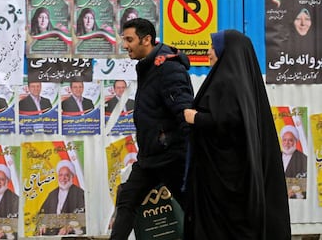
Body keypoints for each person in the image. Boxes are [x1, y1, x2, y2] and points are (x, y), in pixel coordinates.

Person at [183, 30, 291, 239]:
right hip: (229, 176)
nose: (208, 52)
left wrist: (196, 118)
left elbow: (231, 121)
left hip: (227, 180)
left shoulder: (228, 81)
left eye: (213, 47)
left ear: (226, 51)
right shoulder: (239, 82)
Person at [110, 18, 194, 240]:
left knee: (193, 209)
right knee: (127, 200)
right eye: (124, 40)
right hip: (150, 158)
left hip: (171, 157)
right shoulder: (149, 67)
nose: (125, 45)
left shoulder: (168, 68)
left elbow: (184, 113)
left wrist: (187, 155)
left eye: (130, 40)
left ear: (146, 39)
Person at [38, 160, 85, 235]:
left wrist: (70, 227)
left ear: (72, 176)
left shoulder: (80, 194)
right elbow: (42, 213)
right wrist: (42, 224)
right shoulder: (52, 194)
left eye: (66, 175)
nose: (63, 178)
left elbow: (83, 218)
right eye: (61, 175)